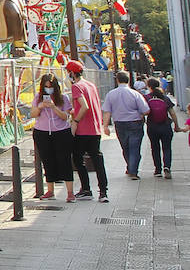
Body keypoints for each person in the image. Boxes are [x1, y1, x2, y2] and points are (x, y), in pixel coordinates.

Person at [66, 60, 109, 202]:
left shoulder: (76, 87)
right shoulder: (91, 85)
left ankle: (86, 189)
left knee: (78, 159)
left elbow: (84, 106)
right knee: (97, 160)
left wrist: (76, 121)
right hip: (95, 128)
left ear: (72, 73)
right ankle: (103, 192)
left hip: (82, 129)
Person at [30, 72, 76, 202]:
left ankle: (70, 192)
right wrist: (40, 106)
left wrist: (54, 107)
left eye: (50, 86)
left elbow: (66, 117)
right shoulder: (38, 97)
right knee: (47, 160)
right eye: (45, 87)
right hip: (42, 132)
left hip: (61, 132)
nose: (48, 89)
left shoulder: (63, 98)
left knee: (64, 160)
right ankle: (50, 190)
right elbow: (33, 114)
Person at [103, 71, 150, 179]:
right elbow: (146, 110)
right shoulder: (135, 94)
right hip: (135, 122)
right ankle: (133, 170)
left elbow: (107, 111)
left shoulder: (111, 94)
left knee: (125, 147)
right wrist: (140, 114)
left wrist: (105, 126)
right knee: (135, 147)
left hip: (119, 124)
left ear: (117, 80)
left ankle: (130, 166)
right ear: (128, 80)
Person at [144, 77, 182, 178]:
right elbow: (172, 113)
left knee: (155, 147)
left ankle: (157, 170)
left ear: (149, 86)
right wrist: (177, 126)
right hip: (165, 126)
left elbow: (143, 112)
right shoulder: (165, 98)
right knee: (167, 147)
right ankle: (167, 167)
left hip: (152, 126)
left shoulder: (146, 98)